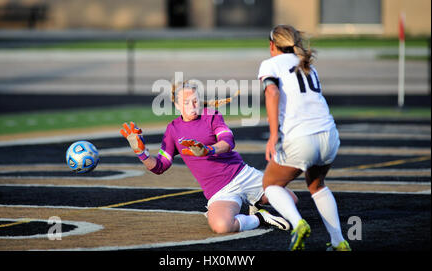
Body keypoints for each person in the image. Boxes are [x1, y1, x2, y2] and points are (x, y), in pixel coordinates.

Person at [120, 80, 298, 234]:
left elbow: (228, 141)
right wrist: (140, 152)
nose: (192, 106)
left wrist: (208, 150)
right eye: (187, 102)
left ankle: (255, 201)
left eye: (195, 101)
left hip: (242, 174)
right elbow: (160, 166)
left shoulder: (210, 115)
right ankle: (259, 217)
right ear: (176, 105)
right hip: (220, 190)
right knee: (221, 226)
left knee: (291, 200)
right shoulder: (173, 129)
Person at [258, 24, 351, 251]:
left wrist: (272, 136)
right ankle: (339, 242)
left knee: (270, 185)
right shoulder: (307, 64)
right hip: (329, 135)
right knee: (317, 185)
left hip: (301, 138)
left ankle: (298, 223)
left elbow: (272, 92)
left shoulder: (270, 64)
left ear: (272, 45)